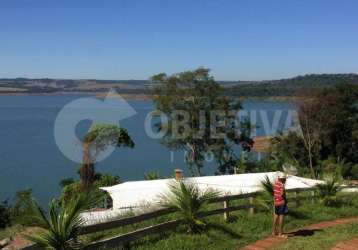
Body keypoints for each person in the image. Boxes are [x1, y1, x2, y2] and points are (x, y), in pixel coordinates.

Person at [272, 172, 288, 238]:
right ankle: (280, 233)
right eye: (284, 179)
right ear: (282, 179)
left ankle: (273, 231)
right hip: (281, 203)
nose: (285, 180)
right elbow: (281, 194)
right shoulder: (281, 185)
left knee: (276, 216)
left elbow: (275, 193)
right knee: (281, 217)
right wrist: (284, 193)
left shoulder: (275, 184)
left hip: (276, 202)